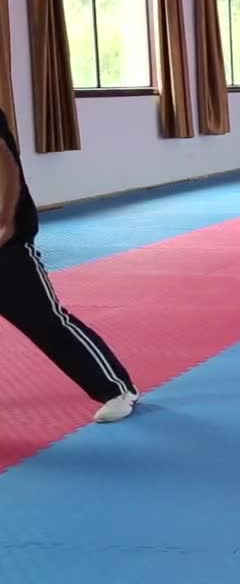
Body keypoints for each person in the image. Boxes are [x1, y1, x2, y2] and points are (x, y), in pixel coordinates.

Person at [0, 108, 139, 423]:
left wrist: (7, 220)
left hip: (4, 244)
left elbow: (4, 161)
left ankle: (116, 390)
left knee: (43, 321)